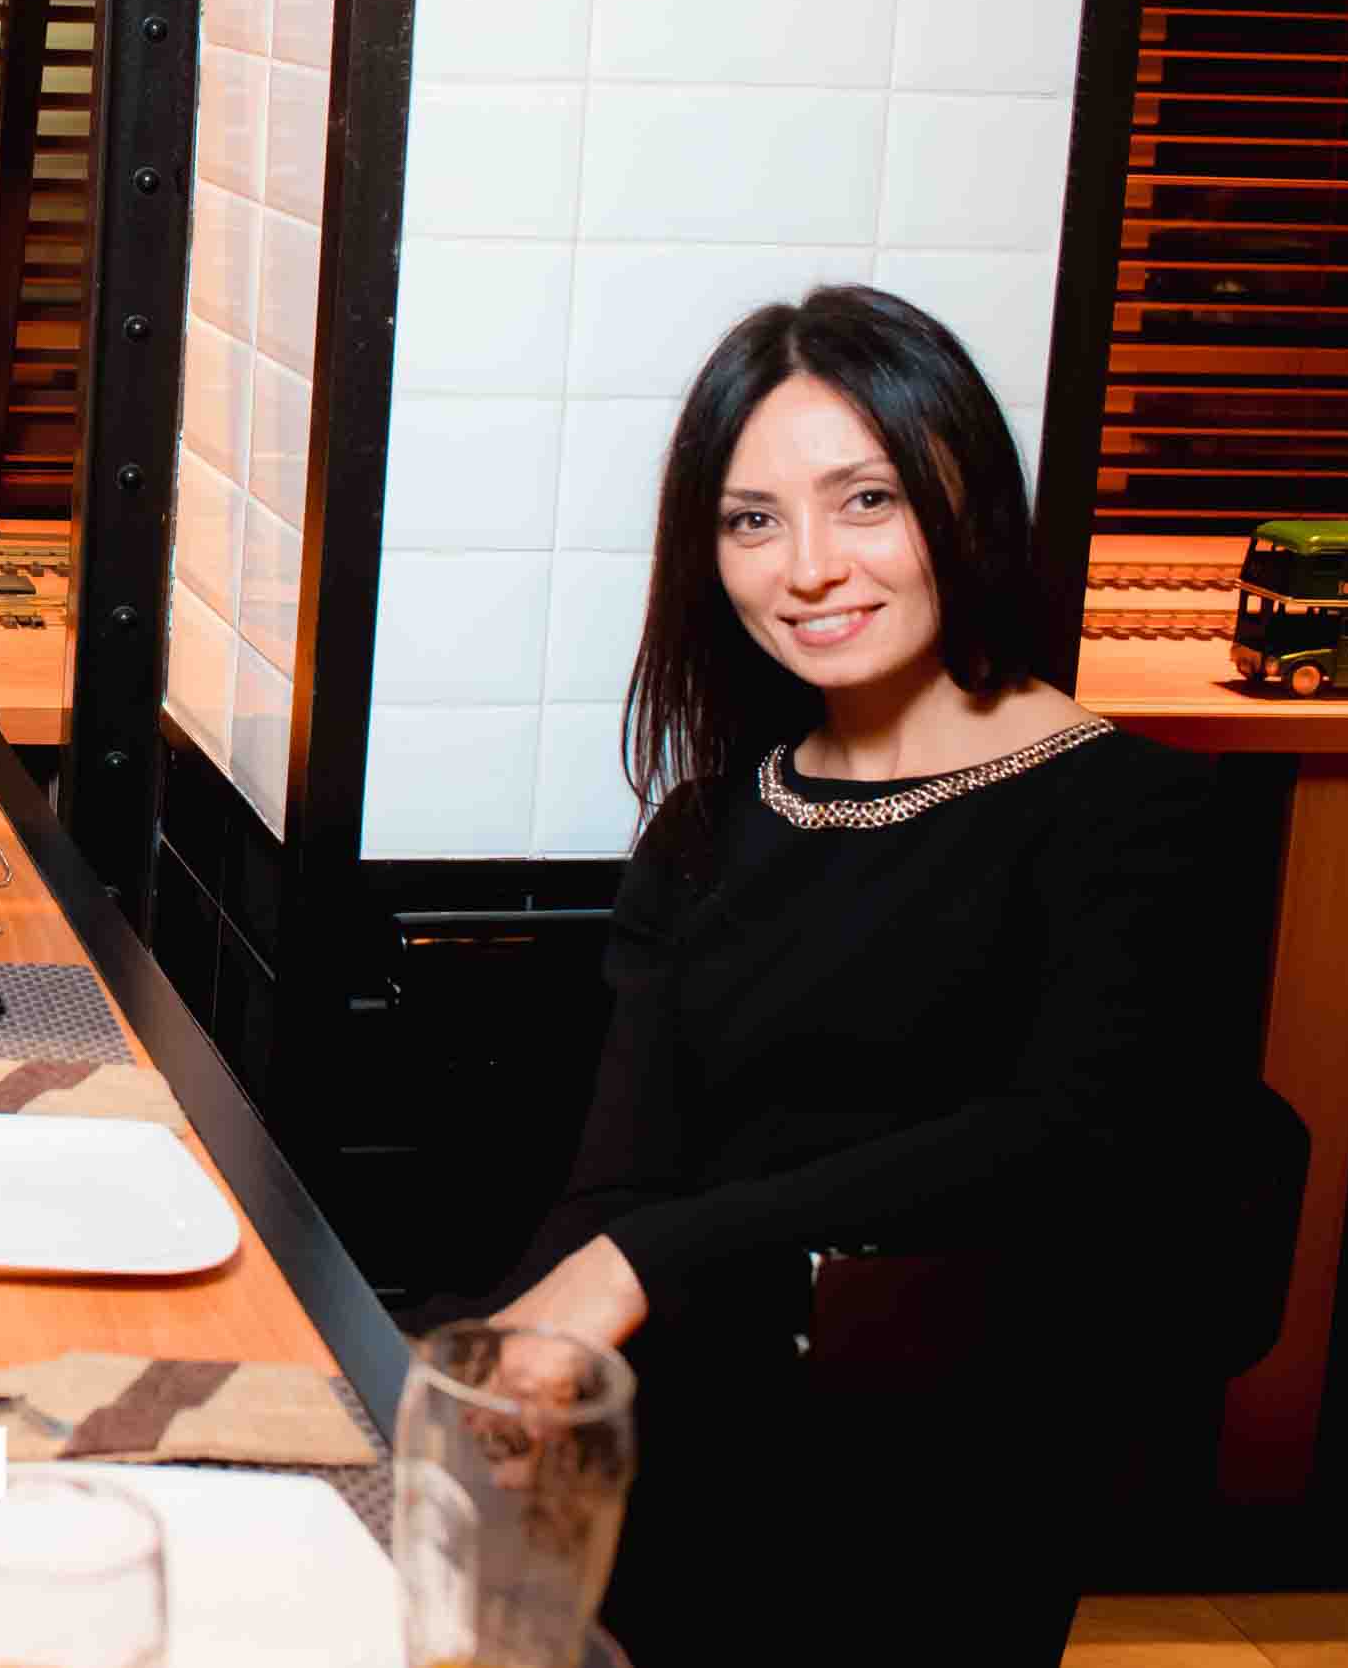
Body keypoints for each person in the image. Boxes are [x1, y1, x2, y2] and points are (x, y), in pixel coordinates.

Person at [473, 284, 1249, 1667]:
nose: (810, 569)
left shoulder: (1140, 815)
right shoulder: (708, 825)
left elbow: (1064, 1139)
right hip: (676, 1437)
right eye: (753, 521)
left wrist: (641, 1265)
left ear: (966, 497)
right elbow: (618, 1179)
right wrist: (507, 1374)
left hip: (945, 1477)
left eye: (867, 501)